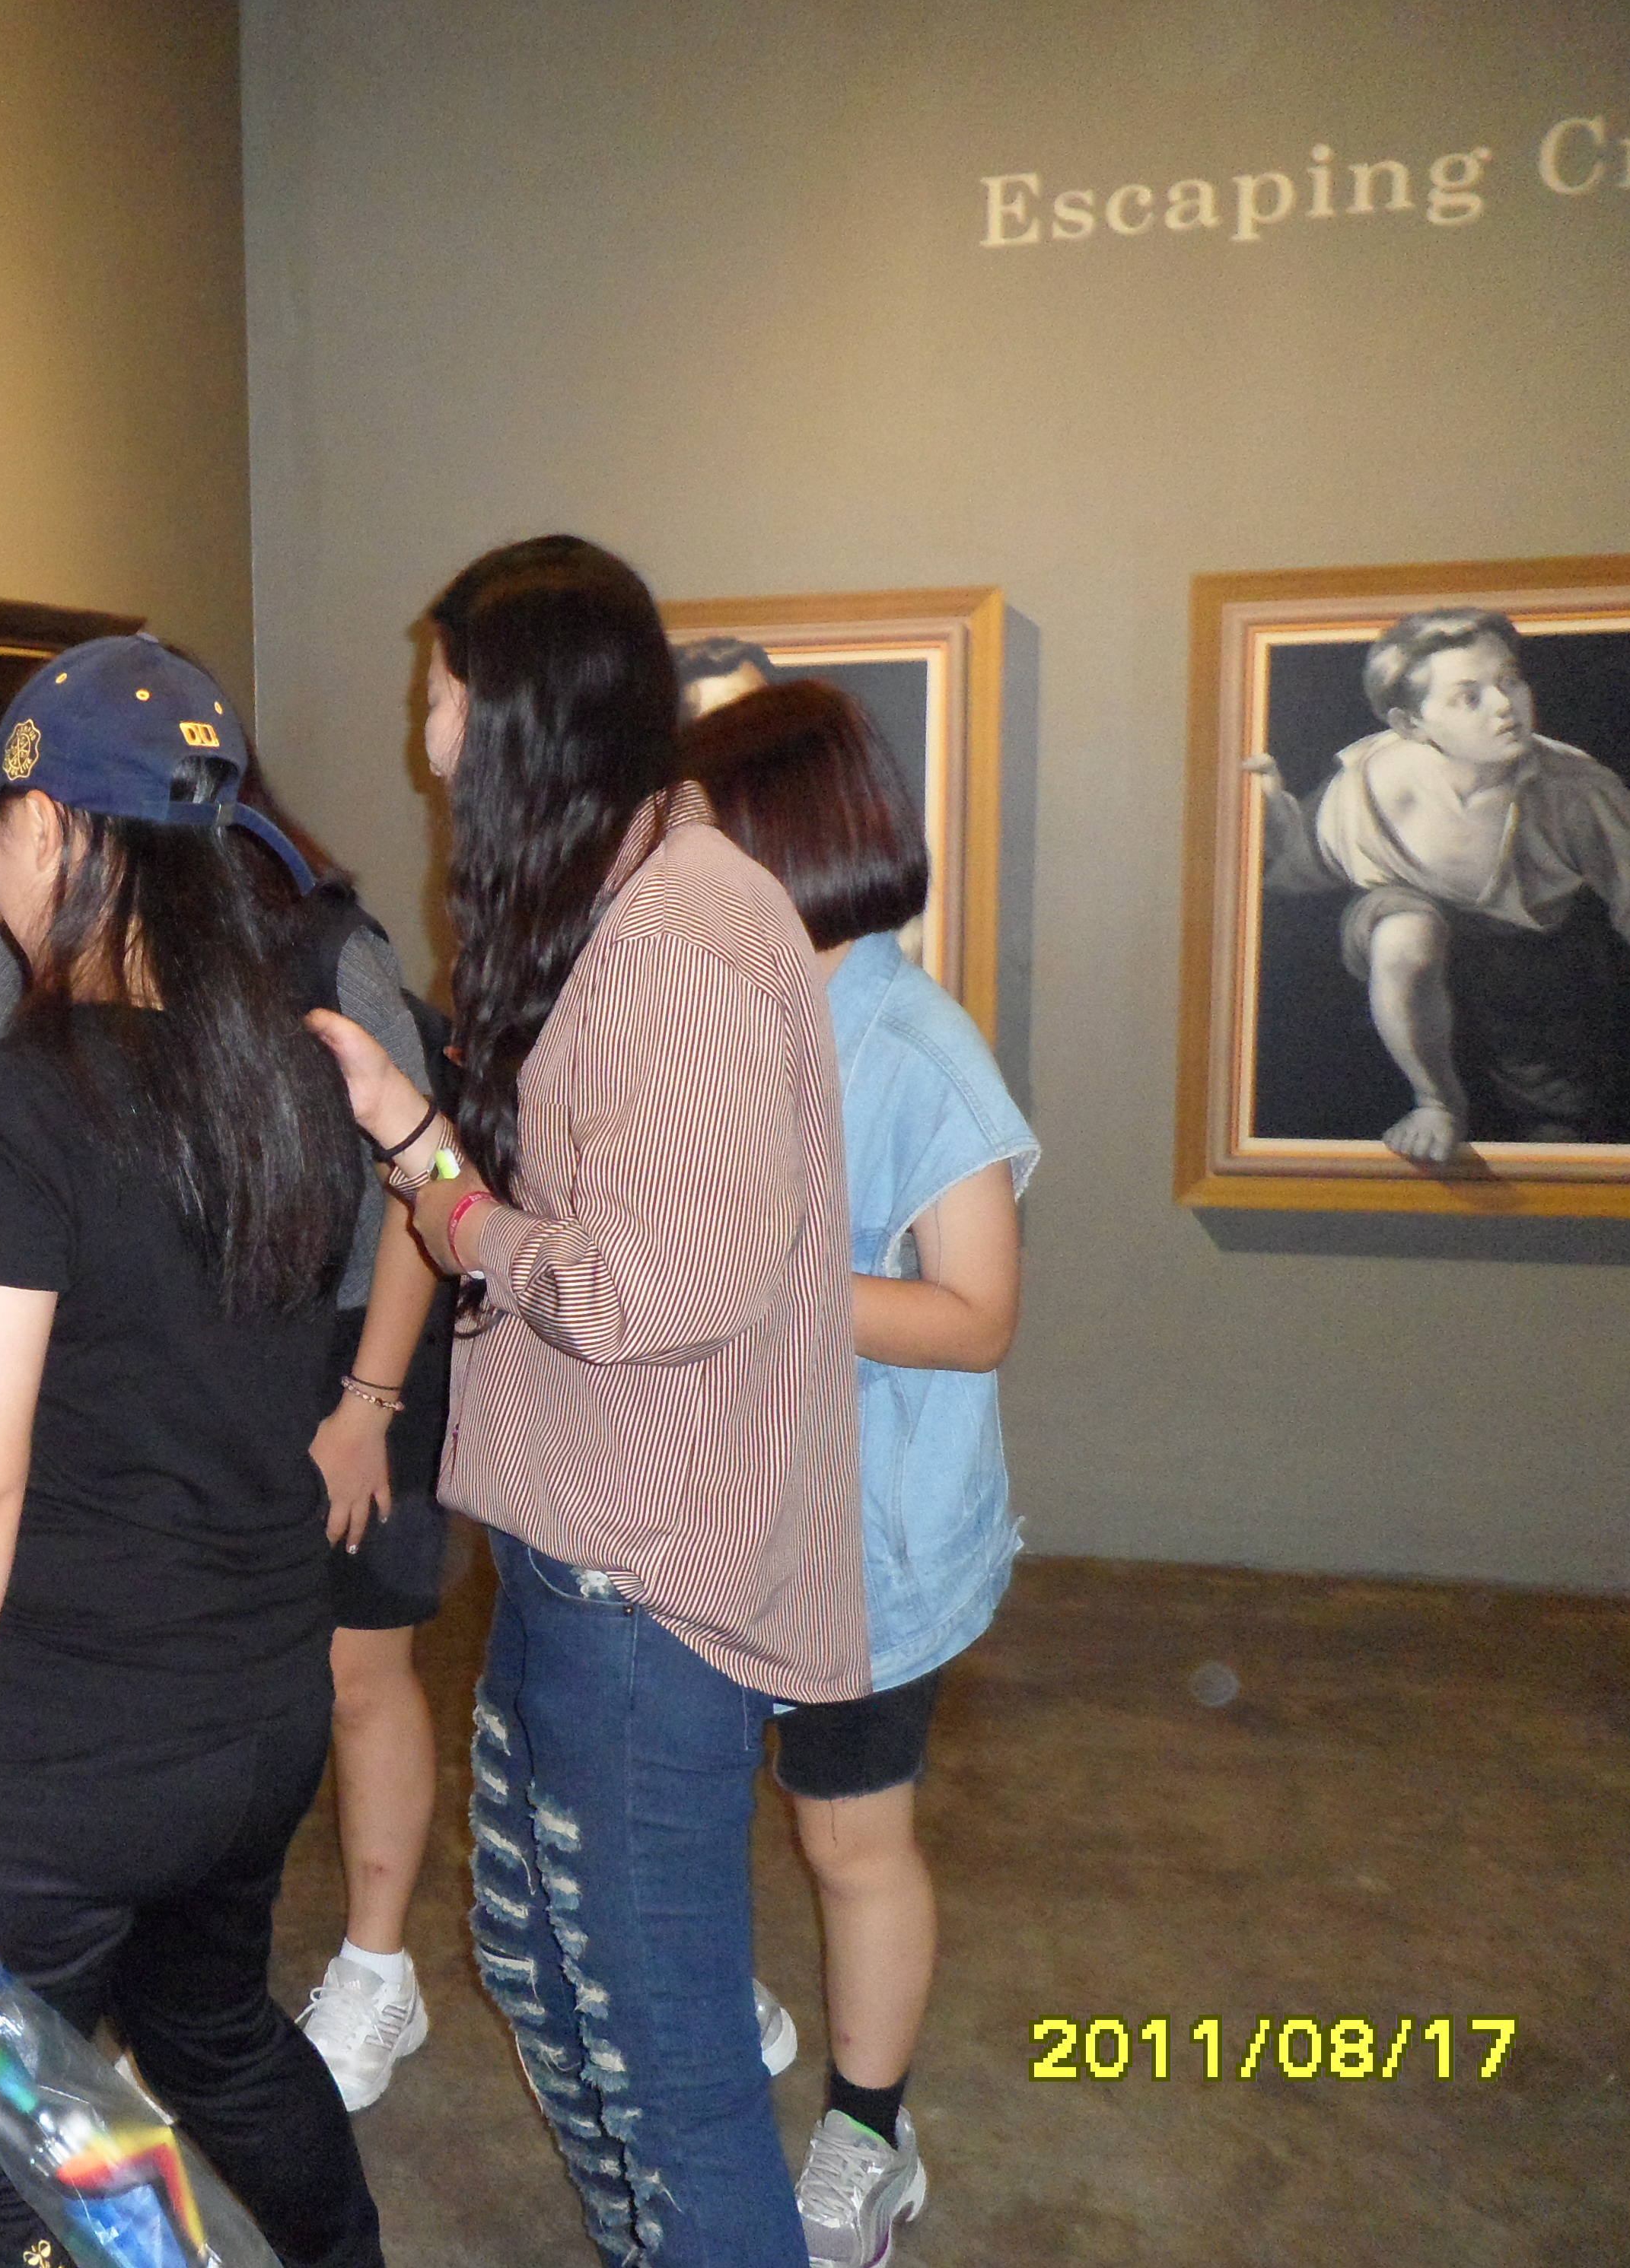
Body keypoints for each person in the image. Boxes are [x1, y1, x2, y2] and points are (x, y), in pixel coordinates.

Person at [0, 635, 387, 2268]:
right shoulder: (288, 1080)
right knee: (214, 2043)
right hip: (251, 1722)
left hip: (59, 1771)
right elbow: (144, 1261)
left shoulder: (21, 1109)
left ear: (52, 830)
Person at [308, 536, 864, 2268]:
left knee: (666, 2057)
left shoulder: (680, 937)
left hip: (648, 1586)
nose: (424, 735)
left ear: (522, 712)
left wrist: (450, 1205)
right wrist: (423, 1144)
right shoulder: (624, 899)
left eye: (443, 691)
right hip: (584, 1547)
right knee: (553, 1979)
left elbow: (652, 1293)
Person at [686, 679, 1037, 2268]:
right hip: (717, 1520)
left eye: (701, 834)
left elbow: (978, 1317)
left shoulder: (914, 1048)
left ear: (787, 840)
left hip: (861, 1545)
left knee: (846, 1840)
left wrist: (769, 1286)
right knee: (685, 1816)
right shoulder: (727, 1014)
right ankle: (733, 2021)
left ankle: (867, 2135)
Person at [1250, 606, 1630, 1159]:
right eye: (1469, 697)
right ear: (1412, 725)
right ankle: (1435, 1102)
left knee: (1561, 1123)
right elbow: (1295, 869)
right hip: (1413, 952)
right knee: (1403, 934)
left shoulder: (1579, 790)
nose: (1505, 706)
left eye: (1510, 680)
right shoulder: (1370, 784)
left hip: (1530, 967)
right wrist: (1269, 814)